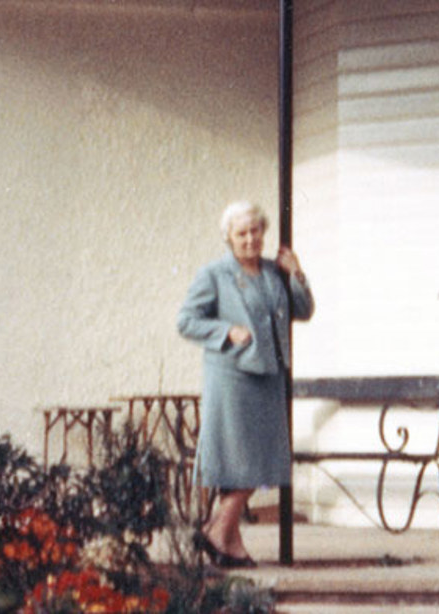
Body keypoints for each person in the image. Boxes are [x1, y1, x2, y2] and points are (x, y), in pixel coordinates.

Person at [177, 200, 314, 568]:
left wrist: (296, 273)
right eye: (242, 233)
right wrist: (226, 331)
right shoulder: (214, 274)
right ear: (229, 237)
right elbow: (186, 321)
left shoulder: (273, 271)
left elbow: (303, 311)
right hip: (233, 378)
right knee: (242, 460)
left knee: (265, 459)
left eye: (255, 231)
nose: (250, 239)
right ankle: (218, 532)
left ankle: (224, 539)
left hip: (270, 376)